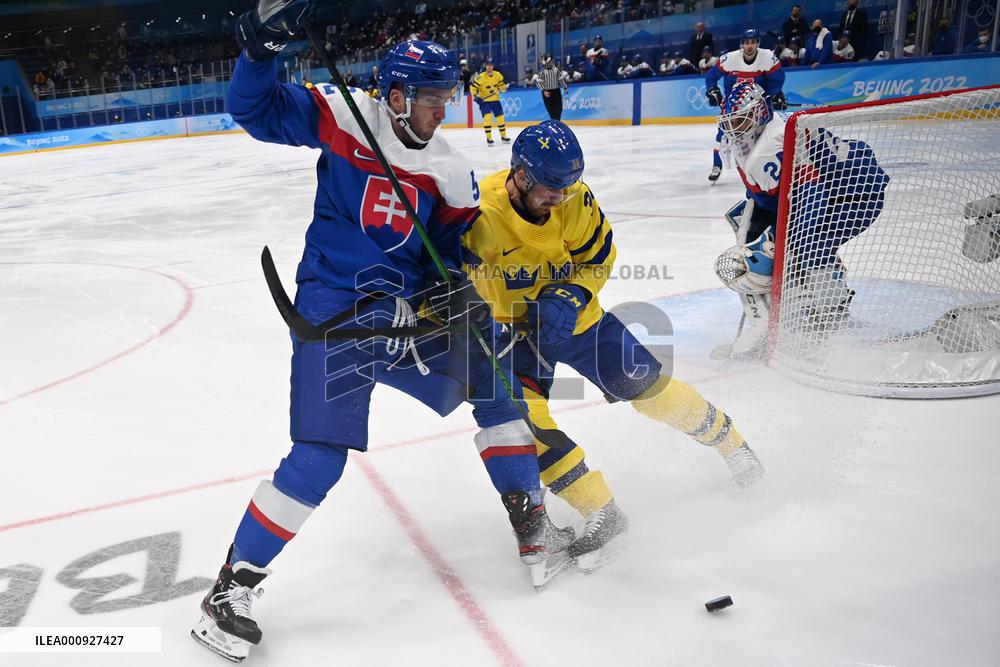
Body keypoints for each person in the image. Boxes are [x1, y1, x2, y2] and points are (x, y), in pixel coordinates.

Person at [191, 3, 571, 661]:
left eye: (446, 99)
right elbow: (253, 112)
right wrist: (258, 53)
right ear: (395, 95)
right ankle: (231, 587)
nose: (441, 112)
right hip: (335, 311)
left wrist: (454, 281)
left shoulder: (450, 171)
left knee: (493, 375)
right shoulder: (343, 118)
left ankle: (531, 518)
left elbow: (448, 251)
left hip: (404, 313)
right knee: (318, 458)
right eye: (430, 100)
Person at [463, 120, 766, 567]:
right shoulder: (479, 213)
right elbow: (455, 280)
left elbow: (600, 256)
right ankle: (602, 510)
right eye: (550, 189)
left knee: (649, 391)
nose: (560, 198)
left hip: (581, 324)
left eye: (567, 188)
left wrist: (576, 292)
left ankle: (732, 444)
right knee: (526, 425)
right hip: (515, 337)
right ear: (521, 176)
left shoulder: (573, 197)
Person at [711, 83, 889, 358]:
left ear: (758, 112)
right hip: (827, 189)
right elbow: (764, 196)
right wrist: (753, 234)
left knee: (808, 248)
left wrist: (789, 243)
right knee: (773, 250)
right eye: (730, 121)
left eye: (740, 119)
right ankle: (775, 326)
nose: (733, 128)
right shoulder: (753, 139)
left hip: (856, 193)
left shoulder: (772, 143)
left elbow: (811, 193)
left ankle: (828, 325)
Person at [705, 28, 786, 183]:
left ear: (758, 43)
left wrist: (774, 94)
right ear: (742, 44)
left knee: (766, 134)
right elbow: (711, 77)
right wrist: (712, 90)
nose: (750, 46)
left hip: (757, 105)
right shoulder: (729, 59)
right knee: (723, 134)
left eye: (753, 42)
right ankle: (717, 165)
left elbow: (777, 80)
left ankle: (764, 167)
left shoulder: (768, 57)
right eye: (747, 42)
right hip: (733, 107)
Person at [470, 56, 510, 147]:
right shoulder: (481, 77)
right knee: (488, 118)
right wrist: (475, 96)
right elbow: (473, 87)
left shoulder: (498, 75)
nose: (489, 67)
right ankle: (489, 138)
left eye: (491, 65)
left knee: (500, 118)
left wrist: (504, 88)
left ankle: (503, 137)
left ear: (493, 66)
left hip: (495, 100)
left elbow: (501, 87)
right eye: (488, 65)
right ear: (485, 66)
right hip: (485, 102)